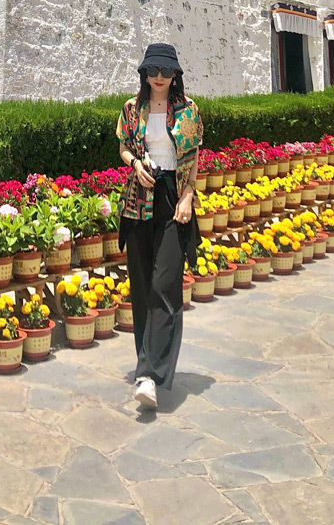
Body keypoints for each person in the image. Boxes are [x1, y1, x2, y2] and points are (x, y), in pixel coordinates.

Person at [116, 43, 203, 409]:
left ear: (175, 75)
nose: (159, 77)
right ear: (144, 73)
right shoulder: (131, 108)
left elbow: (193, 157)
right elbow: (123, 145)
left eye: (166, 72)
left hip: (172, 198)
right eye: (153, 71)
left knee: (163, 285)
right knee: (140, 286)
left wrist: (188, 197)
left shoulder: (188, 110)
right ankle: (145, 368)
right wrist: (135, 164)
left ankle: (151, 373)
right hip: (139, 198)